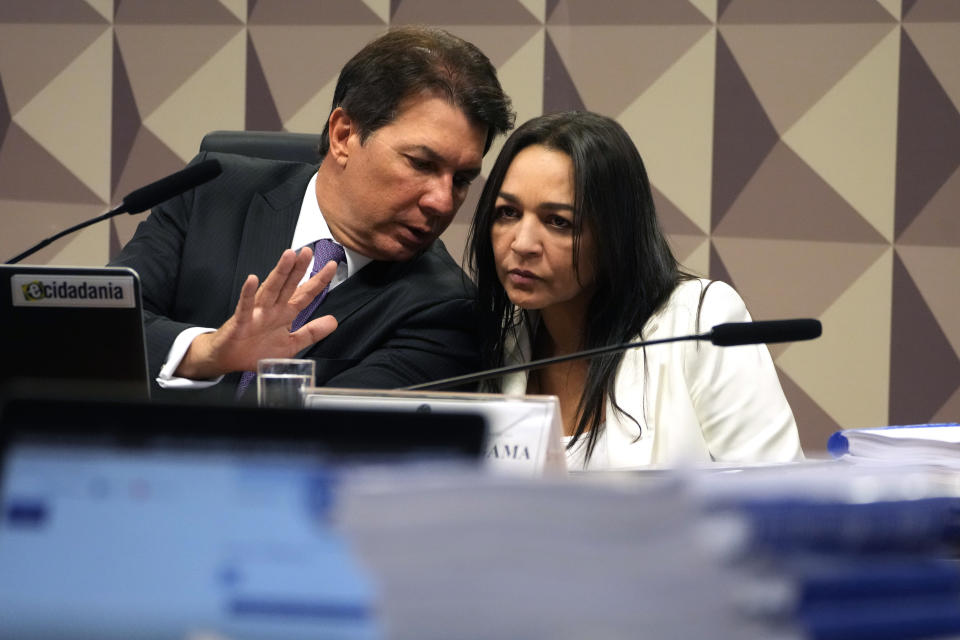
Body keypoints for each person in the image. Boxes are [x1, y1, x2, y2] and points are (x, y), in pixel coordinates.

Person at [110, 26, 514, 403]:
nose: (443, 202)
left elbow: (329, 440)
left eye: (462, 179)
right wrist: (208, 352)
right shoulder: (210, 193)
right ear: (343, 135)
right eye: (421, 164)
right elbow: (101, 331)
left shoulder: (447, 310)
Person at [467, 111, 803, 470]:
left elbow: (779, 497)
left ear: (614, 233)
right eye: (508, 213)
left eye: (558, 222)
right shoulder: (499, 347)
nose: (522, 243)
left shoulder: (699, 323)